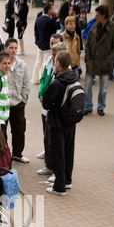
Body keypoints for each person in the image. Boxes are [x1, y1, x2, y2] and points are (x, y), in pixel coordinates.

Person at [42, 50, 78, 196]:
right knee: (69, 151)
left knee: (58, 153)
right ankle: (67, 180)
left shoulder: (57, 82)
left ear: (57, 63)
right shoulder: (74, 79)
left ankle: (59, 186)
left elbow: (45, 103)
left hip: (57, 122)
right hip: (71, 121)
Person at [37, 39, 67, 177]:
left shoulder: (64, 71)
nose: (53, 58)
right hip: (46, 107)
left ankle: (55, 168)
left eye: (56, 56)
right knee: (46, 136)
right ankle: (49, 164)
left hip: (55, 111)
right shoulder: (49, 62)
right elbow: (43, 79)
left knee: (55, 140)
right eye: (53, 55)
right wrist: (41, 93)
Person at [84, 5, 114, 117]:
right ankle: (88, 106)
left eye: (97, 15)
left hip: (105, 63)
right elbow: (88, 43)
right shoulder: (94, 25)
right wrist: (88, 58)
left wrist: (109, 60)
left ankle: (101, 107)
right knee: (87, 86)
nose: (95, 17)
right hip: (92, 62)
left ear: (103, 15)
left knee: (103, 89)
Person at [4, 38, 30, 163]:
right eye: (11, 48)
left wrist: (23, 100)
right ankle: (3, 155)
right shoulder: (1, 65)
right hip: (4, 105)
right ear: (5, 49)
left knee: (19, 131)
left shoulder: (22, 65)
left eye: (15, 48)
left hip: (18, 104)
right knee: (2, 133)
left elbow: (26, 84)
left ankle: (17, 154)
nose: (14, 50)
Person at [32, 2, 60, 85]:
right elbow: (57, 26)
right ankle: (43, 79)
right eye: (52, 9)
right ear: (49, 10)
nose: (53, 10)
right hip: (48, 45)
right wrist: (56, 17)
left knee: (38, 62)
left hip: (40, 44)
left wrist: (37, 41)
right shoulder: (50, 20)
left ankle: (34, 78)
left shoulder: (38, 19)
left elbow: (35, 30)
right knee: (46, 63)